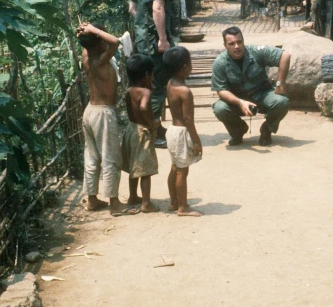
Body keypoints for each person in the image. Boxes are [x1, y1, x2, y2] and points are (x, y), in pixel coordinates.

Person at [77, 22, 129, 215]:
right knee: (110, 157)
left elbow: (96, 43)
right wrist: (94, 31)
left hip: (90, 111)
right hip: (102, 114)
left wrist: (86, 33)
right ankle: (114, 203)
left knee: (91, 157)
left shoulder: (87, 57)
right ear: (99, 42)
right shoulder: (101, 60)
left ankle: (92, 200)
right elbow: (115, 42)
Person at [211, 27, 291, 146]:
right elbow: (221, 90)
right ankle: (238, 130)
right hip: (237, 100)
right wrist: (240, 102)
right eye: (231, 44)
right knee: (220, 108)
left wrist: (280, 82)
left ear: (243, 41)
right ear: (225, 45)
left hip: (262, 95)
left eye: (239, 42)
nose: (236, 46)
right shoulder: (220, 63)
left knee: (282, 102)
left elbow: (285, 55)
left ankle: (267, 130)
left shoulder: (256, 51)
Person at [130, 0, 175, 148]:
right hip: (154, 42)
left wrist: (142, 26)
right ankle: (155, 131)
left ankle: (151, 126)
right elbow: (158, 8)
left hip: (141, 41)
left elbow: (132, 8)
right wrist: (162, 39)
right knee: (157, 85)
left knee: (146, 82)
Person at [163, 46, 204, 217]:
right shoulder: (185, 92)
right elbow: (188, 119)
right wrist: (196, 140)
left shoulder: (170, 84)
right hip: (181, 132)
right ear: (185, 68)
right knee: (182, 171)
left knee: (175, 168)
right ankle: (182, 207)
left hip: (172, 130)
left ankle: (173, 201)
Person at [122, 54, 161, 213]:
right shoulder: (145, 93)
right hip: (142, 132)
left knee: (134, 166)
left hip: (131, 129)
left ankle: (133, 196)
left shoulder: (129, 90)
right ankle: (146, 203)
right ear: (146, 75)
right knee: (145, 169)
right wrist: (151, 123)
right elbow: (144, 107)